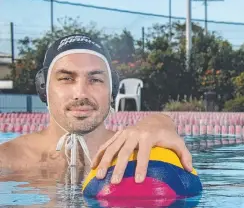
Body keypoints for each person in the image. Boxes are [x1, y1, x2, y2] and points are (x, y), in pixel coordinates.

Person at [0, 33, 192, 185]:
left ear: (112, 90)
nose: (81, 93)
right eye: (66, 78)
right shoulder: (7, 160)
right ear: (44, 88)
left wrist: (160, 122)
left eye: (95, 80)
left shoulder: (135, 151)